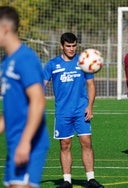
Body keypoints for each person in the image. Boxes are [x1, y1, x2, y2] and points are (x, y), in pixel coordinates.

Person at [43, 33, 103, 188]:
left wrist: (89, 106)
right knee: (65, 144)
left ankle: (91, 179)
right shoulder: (52, 64)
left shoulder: (84, 62)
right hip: (62, 112)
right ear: (61, 46)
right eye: (68, 46)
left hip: (81, 110)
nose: (71, 49)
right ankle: (67, 181)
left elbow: (90, 85)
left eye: (74, 45)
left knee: (86, 142)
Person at [0, 6, 50, 188]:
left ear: (4, 28)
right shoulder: (6, 62)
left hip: (29, 142)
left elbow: (38, 100)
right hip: (15, 142)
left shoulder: (25, 58)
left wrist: (25, 141)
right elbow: (13, 110)